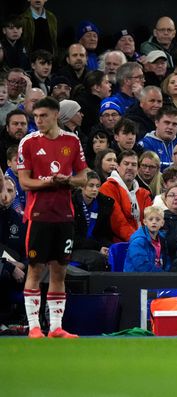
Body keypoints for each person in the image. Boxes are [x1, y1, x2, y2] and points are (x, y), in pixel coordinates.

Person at [18, 97, 91, 339]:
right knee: (35, 269)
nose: (38, 121)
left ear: (56, 115)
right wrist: (45, 182)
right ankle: (34, 327)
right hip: (38, 215)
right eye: (36, 117)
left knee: (59, 270)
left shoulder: (72, 141)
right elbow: (24, 181)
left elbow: (84, 176)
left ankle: (56, 327)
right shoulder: (27, 143)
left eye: (43, 116)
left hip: (64, 215)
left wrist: (67, 180)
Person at [99, 150, 153, 242]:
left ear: (138, 169)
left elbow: (151, 220)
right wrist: (138, 240)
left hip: (142, 241)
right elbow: (118, 222)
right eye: (126, 163)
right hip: (118, 244)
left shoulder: (144, 194)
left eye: (133, 165)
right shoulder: (108, 188)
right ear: (118, 166)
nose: (130, 167)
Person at [71, 171, 114, 271]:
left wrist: (107, 247)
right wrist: (98, 247)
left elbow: (105, 234)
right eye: (91, 185)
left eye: (98, 186)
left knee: (115, 251)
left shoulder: (103, 204)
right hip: (74, 249)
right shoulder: (72, 204)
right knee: (98, 259)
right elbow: (73, 238)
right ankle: (97, 287)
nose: (95, 189)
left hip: (94, 247)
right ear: (82, 186)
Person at [124, 206, 170, 272]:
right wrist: (163, 275)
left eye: (157, 220)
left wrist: (168, 274)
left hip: (157, 276)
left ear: (162, 223)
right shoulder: (138, 241)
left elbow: (167, 260)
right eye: (150, 219)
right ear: (145, 222)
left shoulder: (163, 239)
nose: (154, 222)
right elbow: (141, 266)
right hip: (137, 278)